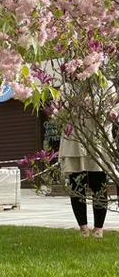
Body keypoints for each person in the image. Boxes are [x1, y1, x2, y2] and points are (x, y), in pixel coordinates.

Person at [58, 99, 111, 239]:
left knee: (99, 184)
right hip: (74, 141)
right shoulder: (66, 87)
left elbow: (112, 110)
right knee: (76, 186)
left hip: (97, 140)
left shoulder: (104, 85)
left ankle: (99, 228)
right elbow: (59, 113)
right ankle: (83, 228)